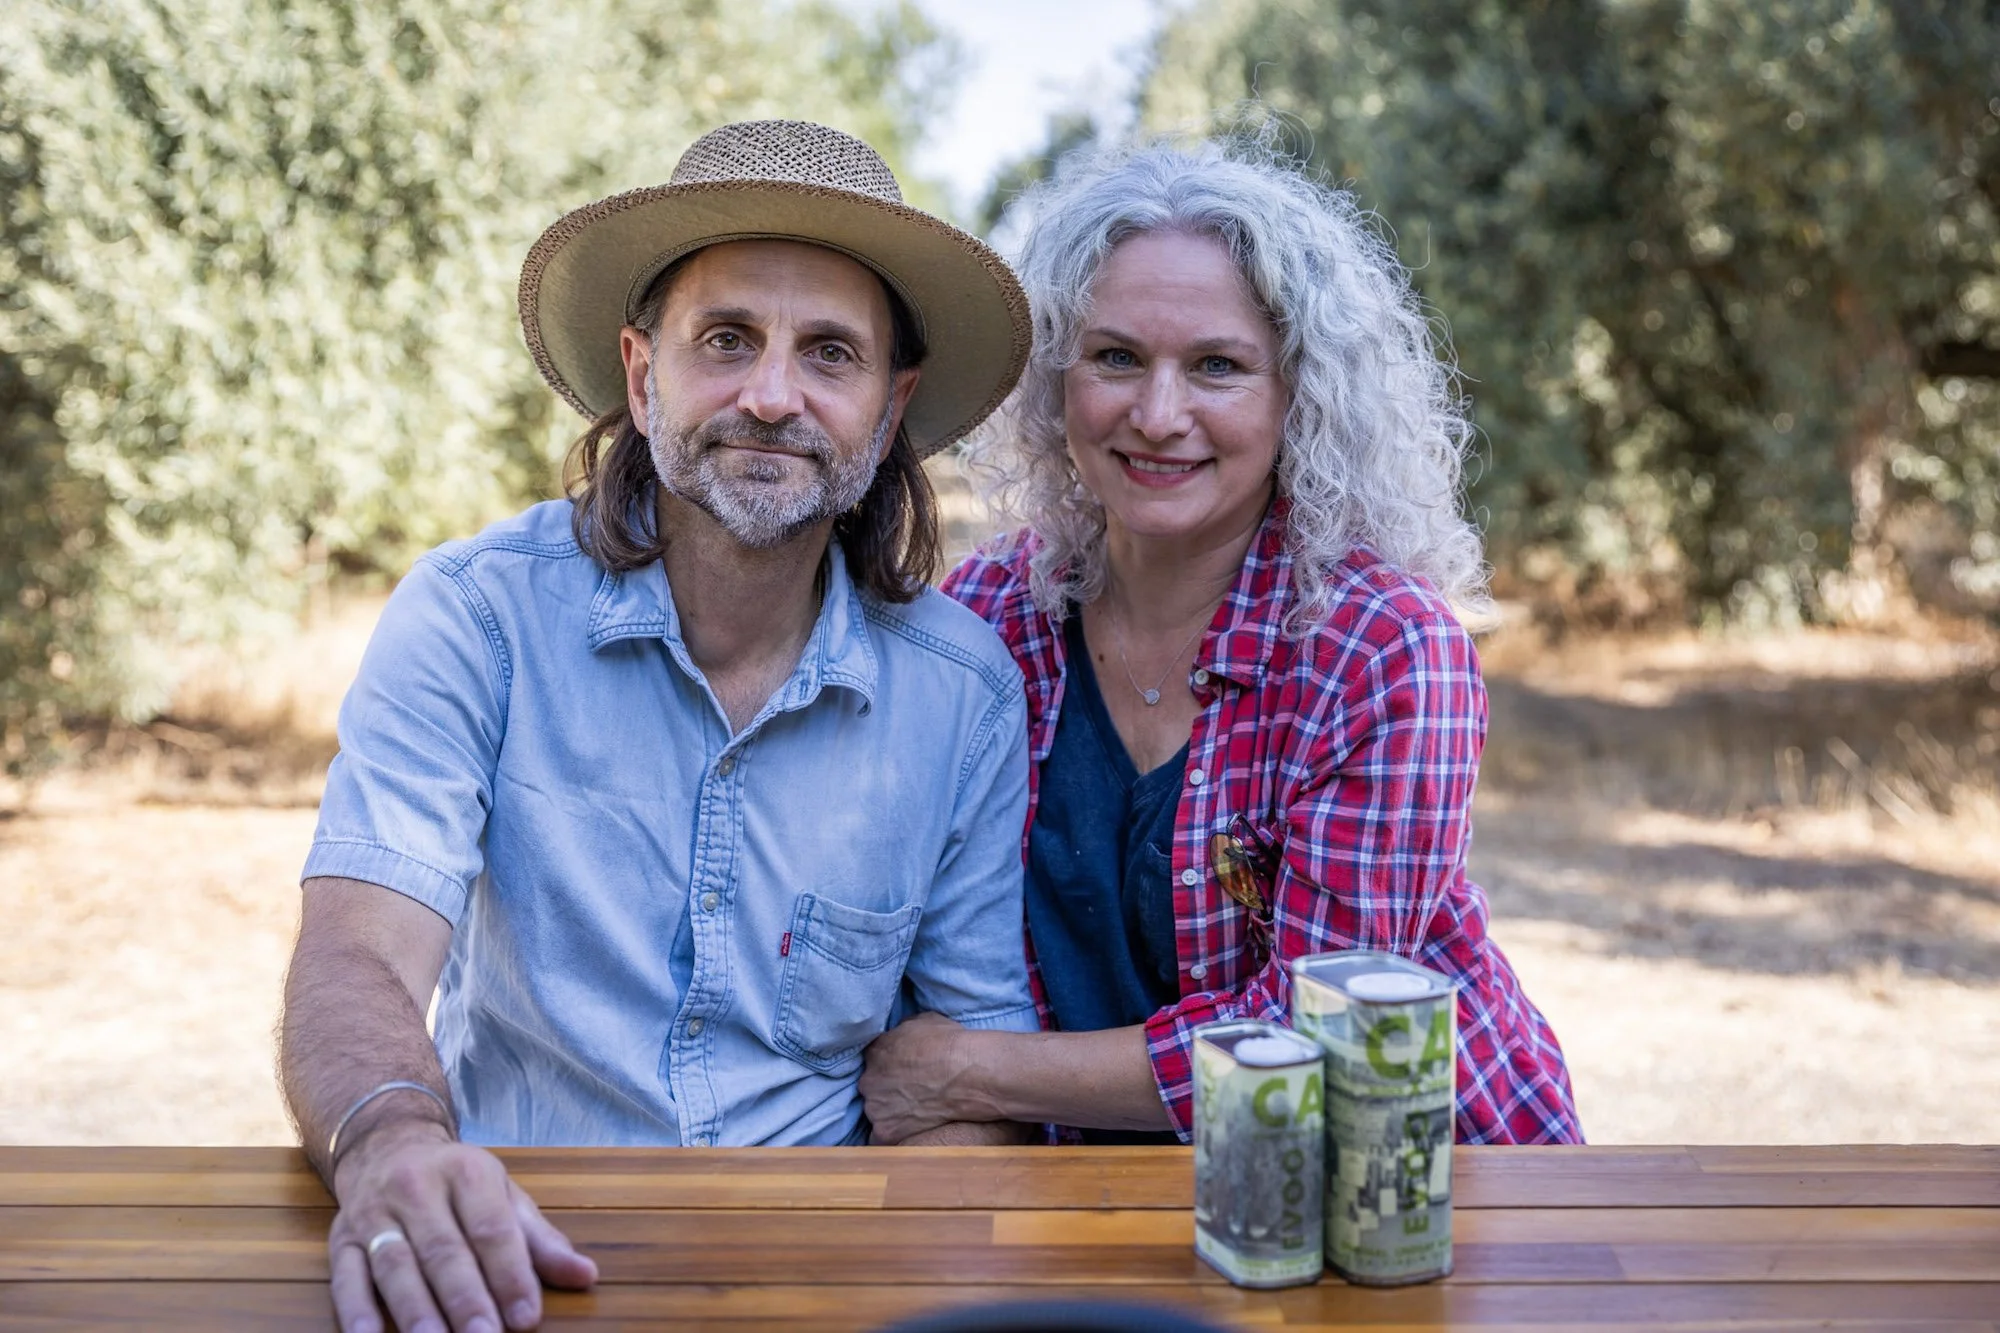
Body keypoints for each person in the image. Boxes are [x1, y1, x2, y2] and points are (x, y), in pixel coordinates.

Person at [278, 120, 1041, 1333]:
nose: (772, 396)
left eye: (828, 354)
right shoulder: (477, 617)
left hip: (824, 1279)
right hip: (515, 1263)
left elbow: (965, 1061)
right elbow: (357, 954)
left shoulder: (963, 696)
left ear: (887, 410)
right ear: (642, 377)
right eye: (726, 340)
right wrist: (387, 1142)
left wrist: (905, 1291)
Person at [859, 140, 1582, 1148]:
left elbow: (1320, 1036)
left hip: (1400, 1190)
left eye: (1216, 367)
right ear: (1054, 382)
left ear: (1300, 394)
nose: (1157, 417)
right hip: (1091, 1197)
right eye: (1114, 357)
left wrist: (967, 1073)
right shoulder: (988, 620)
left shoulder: (1379, 649)